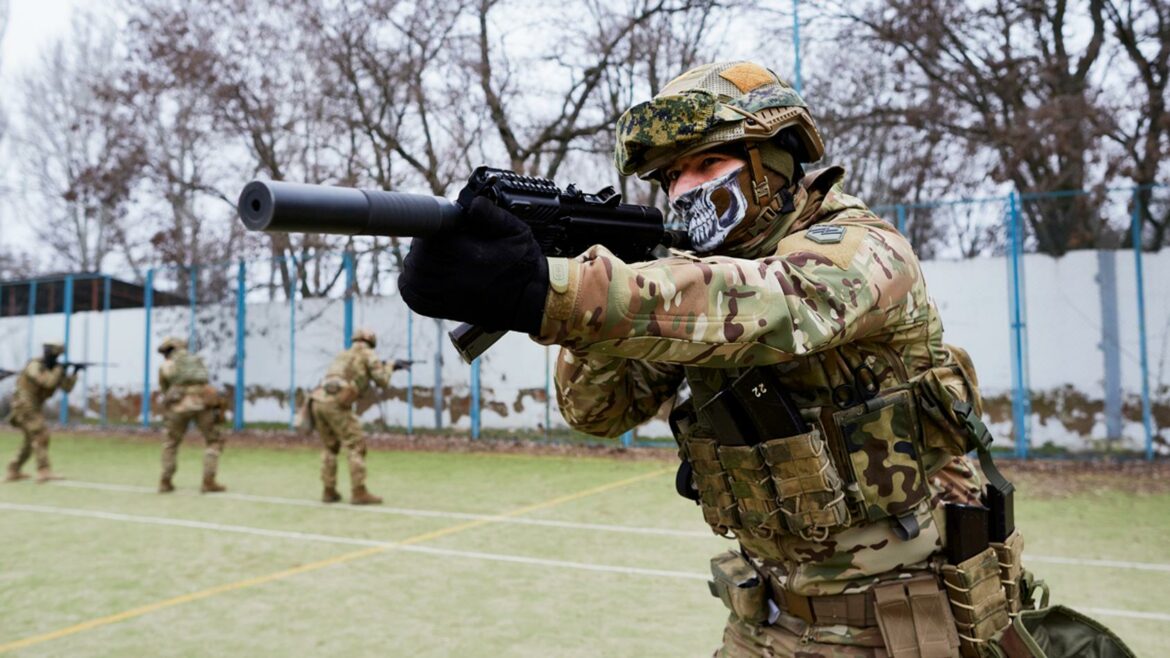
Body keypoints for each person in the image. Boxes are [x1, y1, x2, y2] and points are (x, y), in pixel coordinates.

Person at [398, 61, 1041, 657]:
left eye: (707, 163)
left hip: (900, 625)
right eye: (671, 176)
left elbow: (766, 306)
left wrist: (557, 290)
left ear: (774, 161)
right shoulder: (679, 284)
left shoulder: (864, 250)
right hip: (764, 621)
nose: (685, 189)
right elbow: (596, 410)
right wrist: (592, 296)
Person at [303, 328, 408, 505]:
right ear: (371, 341)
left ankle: (329, 491)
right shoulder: (368, 353)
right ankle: (359, 492)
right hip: (337, 403)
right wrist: (390, 366)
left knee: (330, 447)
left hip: (317, 400)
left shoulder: (343, 354)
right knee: (356, 445)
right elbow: (382, 380)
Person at [157, 336, 227, 494]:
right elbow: (205, 380)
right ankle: (208, 481)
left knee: (171, 443)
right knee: (213, 441)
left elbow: (164, 389)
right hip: (202, 403)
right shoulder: (196, 360)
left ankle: (165, 481)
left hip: (177, 405)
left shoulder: (166, 365)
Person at [5, 342, 77, 482]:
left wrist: (73, 373)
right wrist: (58, 370)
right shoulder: (34, 365)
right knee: (41, 434)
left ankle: (13, 470)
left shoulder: (54, 369)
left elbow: (67, 388)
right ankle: (43, 471)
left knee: (30, 440)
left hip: (33, 406)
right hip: (24, 406)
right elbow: (47, 382)